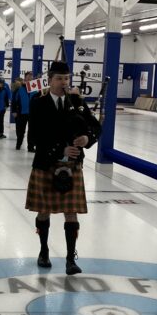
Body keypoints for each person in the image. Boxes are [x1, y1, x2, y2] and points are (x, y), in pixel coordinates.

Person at [25, 60, 102, 275]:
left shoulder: (76, 101)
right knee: (44, 211)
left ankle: (70, 259)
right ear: (49, 80)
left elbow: (95, 126)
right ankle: (44, 251)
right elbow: (34, 137)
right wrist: (62, 149)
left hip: (72, 166)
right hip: (46, 163)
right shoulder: (38, 103)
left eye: (66, 78)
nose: (63, 82)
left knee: (71, 213)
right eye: (59, 78)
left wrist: (87, 138)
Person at [12, 71, 34, 150]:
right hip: (21, 112)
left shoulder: (35, 88)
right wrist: (14, 111)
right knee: (21, 131)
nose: (29, 78)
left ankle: (30, 147)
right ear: (25, 78)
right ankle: (18, 145)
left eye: (31, 77)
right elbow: (14, 100)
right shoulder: (19, 88)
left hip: (32, 113)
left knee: (31, 131)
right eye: (28, 77)